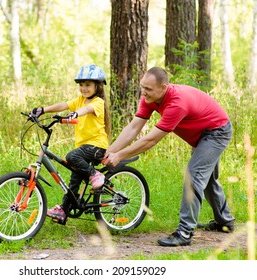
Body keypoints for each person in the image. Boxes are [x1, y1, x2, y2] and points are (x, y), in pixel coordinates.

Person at [103, 66, 235, 246]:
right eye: (143, 87)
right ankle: (225, 221)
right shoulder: (149, 98)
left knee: (194, 176)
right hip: (202, 134)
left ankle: (184, 233)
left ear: (163, 87)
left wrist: (120, 155)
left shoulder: (176, 103)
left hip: (216, 132)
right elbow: (134, 128)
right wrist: (110, 151)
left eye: (148, 89)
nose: (144, 92)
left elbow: (151, 140)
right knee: (208, 180)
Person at [30, 64, 111, 223]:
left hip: (96, 146)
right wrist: (43, 110)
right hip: (84, 148)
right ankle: (64, 211)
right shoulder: (80, 100)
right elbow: (64, 105)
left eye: (88, 84)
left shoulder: (98, 102)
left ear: (98, 86)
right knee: (74, 179)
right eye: (81, 85)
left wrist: (76, 113)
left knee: (71, 156)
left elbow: (86, 110)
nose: (84, 88)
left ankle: (95, 174)